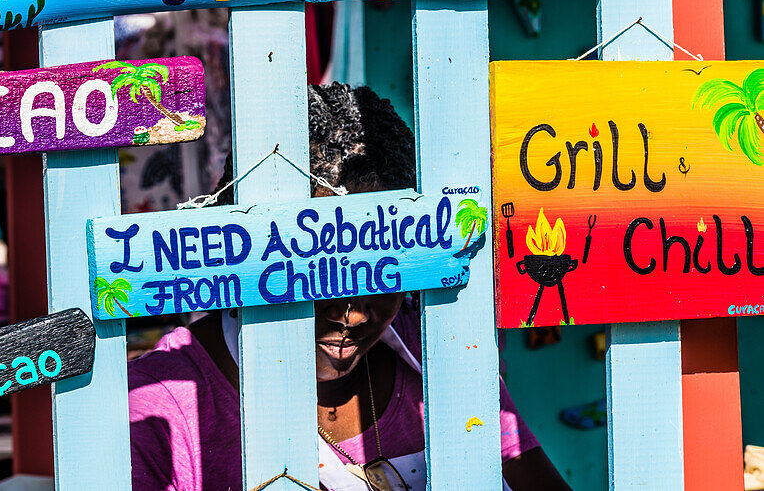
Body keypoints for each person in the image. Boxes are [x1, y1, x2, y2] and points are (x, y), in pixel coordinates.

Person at [128, 83, 571, 491]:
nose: (354, 312)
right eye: (323, 273)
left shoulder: (440, 347)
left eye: (383, 272)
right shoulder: (160, 406)